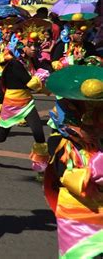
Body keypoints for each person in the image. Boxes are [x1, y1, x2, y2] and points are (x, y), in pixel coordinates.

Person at [0, 19, 52, 170]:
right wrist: (42, 76)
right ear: (22, 46)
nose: (34, 48)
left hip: (27, 102)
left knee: (39, 134)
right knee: (1, 136)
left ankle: (41, 166)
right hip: (12, 104)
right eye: (30, 45)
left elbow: (43, 73)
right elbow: (31, 84)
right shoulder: (15, 64)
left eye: (36, 45)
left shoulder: (32, 61)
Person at [44, 65, 103, 258]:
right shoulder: (60, 143)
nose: (92, 128)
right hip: (76, 215)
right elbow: (65, 176)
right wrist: (95, 172)